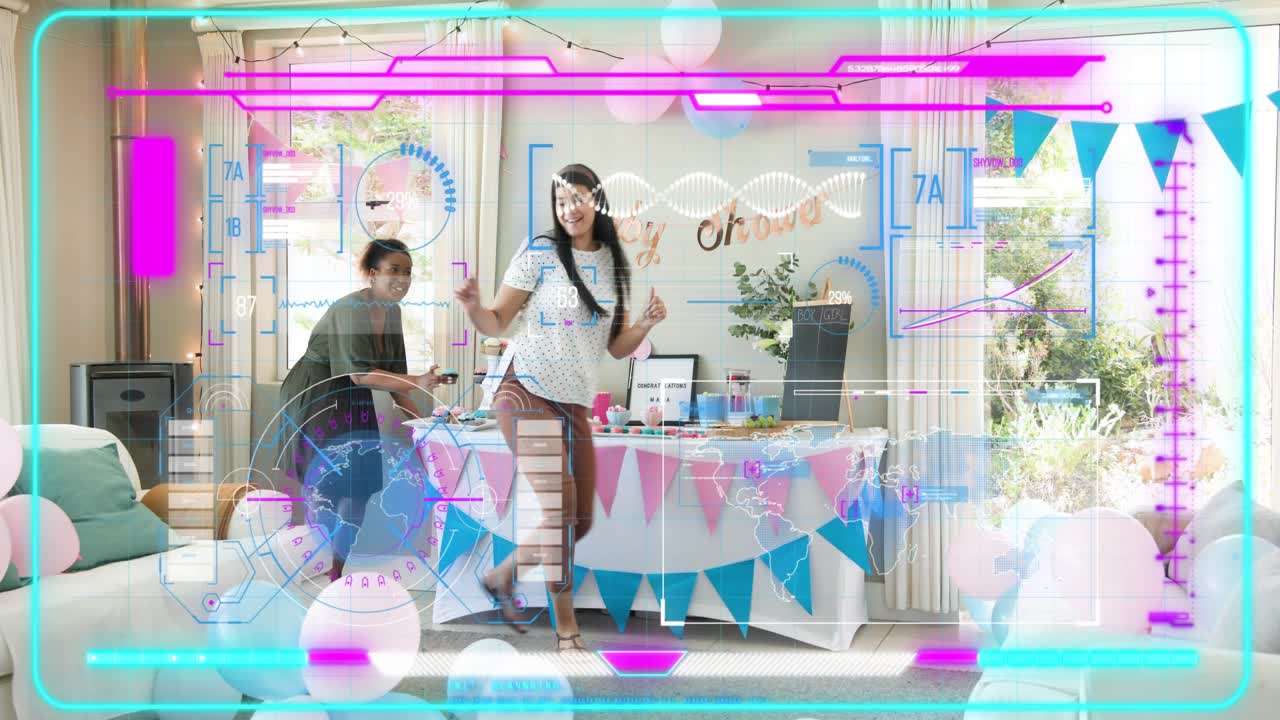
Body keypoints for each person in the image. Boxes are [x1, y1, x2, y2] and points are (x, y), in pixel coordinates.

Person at [455, 163, 667, 652]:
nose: (570, 208)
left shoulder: (614, 264)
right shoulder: (540, 253)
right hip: (524, 391)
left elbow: (616, 347)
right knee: (561, 511)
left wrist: (646, 325)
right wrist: (473, 308)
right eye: (561, 200)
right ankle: (566, 628)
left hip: (572, 404)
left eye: (578, 197)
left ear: (597, 201)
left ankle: (503, 576)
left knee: (580, 519)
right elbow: (497, 321)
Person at [279, 238, 442, 580]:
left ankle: (337, 566)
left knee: (363, 484)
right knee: (329, 483)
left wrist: (424, 426)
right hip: (318, 393)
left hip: (355, 396)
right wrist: (417, 382)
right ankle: (326, 566)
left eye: (408, 272)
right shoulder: (349, 309)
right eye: (393, 270)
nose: (402, 278)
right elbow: (359, 373)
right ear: (372, 274)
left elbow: (394, 381)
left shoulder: (393, 313)